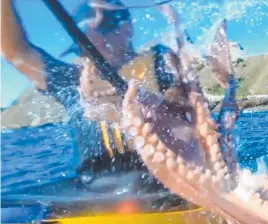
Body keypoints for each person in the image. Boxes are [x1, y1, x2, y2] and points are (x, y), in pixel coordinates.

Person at [1, 0, 182, 189]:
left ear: (126, 29)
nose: (92, 44)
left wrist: (124, 107)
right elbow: (15, 53)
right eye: (85, 39)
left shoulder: (160, 61)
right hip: (95, 190)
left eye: (99, 32)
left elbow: (184, 112)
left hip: (165, 184)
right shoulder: (71, 80)